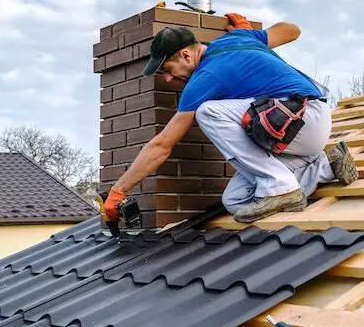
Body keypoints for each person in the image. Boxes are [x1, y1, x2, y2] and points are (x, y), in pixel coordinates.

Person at [104, 13, 358, 223]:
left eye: (167, 70)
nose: (169, 79)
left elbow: (162, 146)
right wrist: (252, 37)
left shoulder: (205, 77)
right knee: (235, 200)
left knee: (208, 112)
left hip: (303, 116)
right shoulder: (239, 37)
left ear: (185, 55)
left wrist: (119, 190)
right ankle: (326, 165)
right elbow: (292, 30)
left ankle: (281, 186)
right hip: (299, 132)